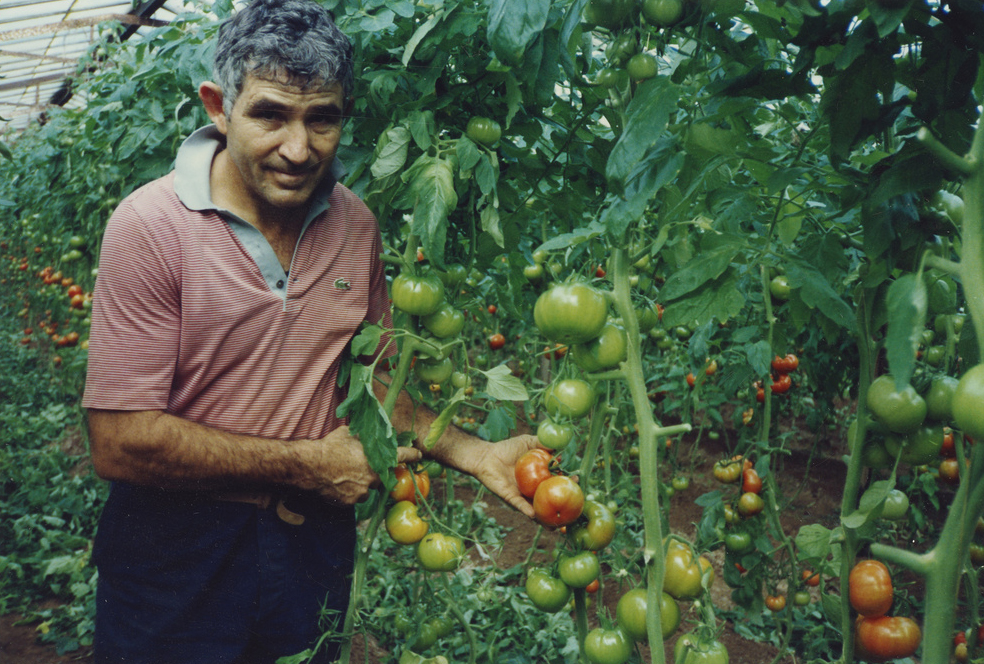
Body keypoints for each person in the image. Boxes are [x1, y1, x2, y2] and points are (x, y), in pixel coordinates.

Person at [81, 2, 538, 662]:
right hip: (173, 546)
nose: (299, 149)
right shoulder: (152, 226)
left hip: (309, 544)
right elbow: (120, 443)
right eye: (270, 114)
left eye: (321, 118)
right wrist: (309, 465)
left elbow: (376, 385)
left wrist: (475, 453)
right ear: (219, 106)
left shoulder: (356, 225)